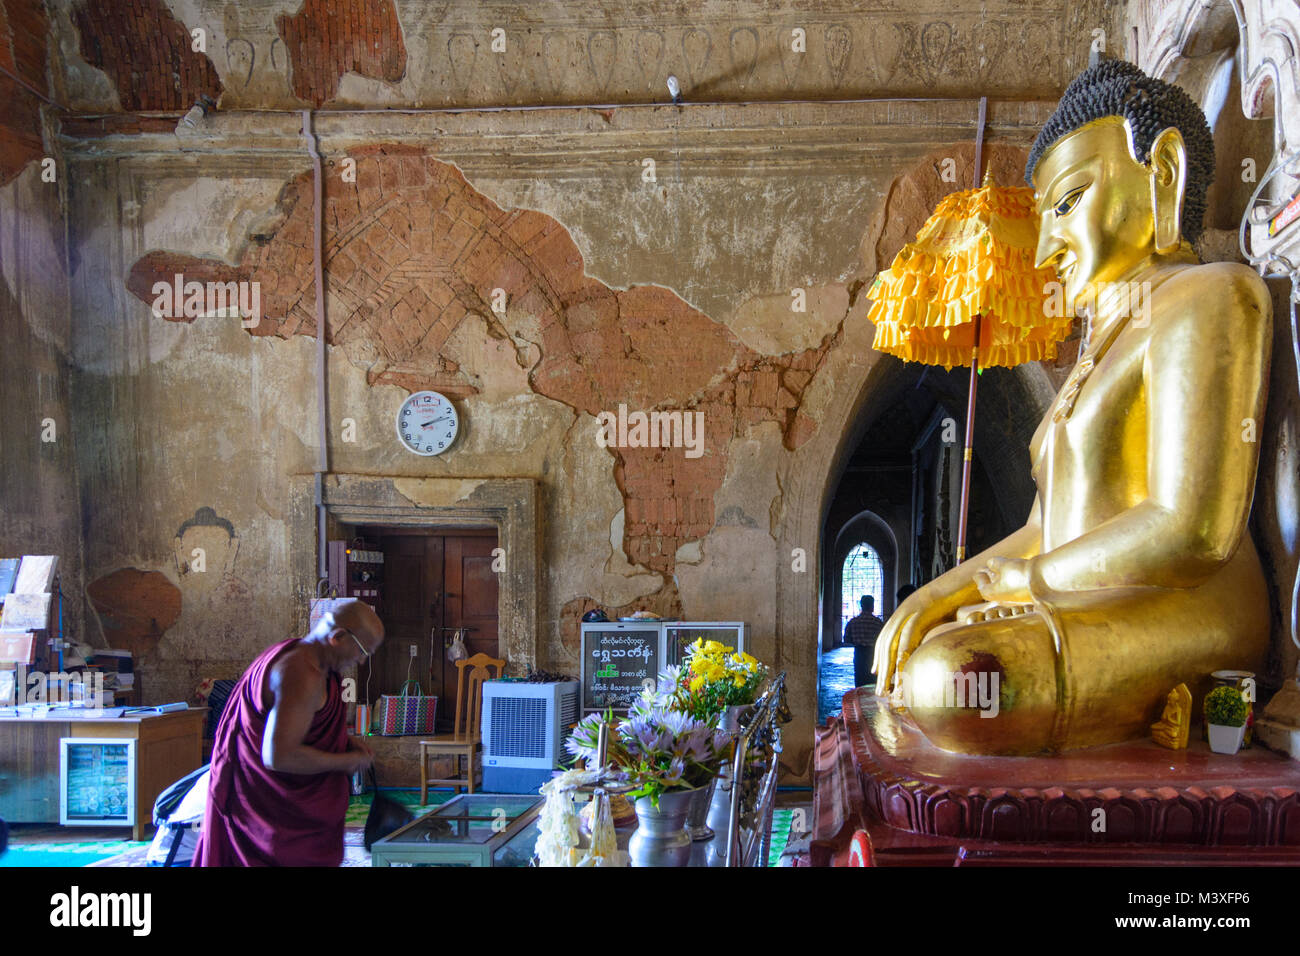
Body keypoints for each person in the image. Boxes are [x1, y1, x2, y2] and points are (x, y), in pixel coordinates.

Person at [874, 60, 1271, 755]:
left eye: (1067, 203)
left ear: (1164, 173)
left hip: (1188, 605)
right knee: (932, 644)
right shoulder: (1097, 354)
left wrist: (1035, 581)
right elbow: (1046, 526)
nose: (1049, 247)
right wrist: (939, 593)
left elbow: (1191, 529)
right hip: (1090, 597)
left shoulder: (1210, 297)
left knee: (960, 680)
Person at [194, 599, 385, 866]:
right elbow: (279, 756)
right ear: (338, 637)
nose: (362, 660)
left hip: (284, 807)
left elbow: (301, 726)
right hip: (270, 818)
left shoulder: (310, 660)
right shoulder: (300, 673)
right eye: (363, 650)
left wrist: (344, 742)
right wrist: (345, 761)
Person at [843, 595, 884, 688]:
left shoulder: (853, 621)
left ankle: (859, 698)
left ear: (861, 606)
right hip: (873, 654)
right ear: (872, 606)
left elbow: (846, 639)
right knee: (872, 678)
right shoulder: (877, 622)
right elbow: (883, 639)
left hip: (859, 653)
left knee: (860, 678)